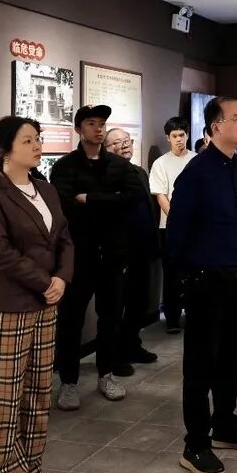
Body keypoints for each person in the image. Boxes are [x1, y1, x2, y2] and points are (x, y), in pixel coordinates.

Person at [0, 116, 74, 473]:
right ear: (5, 151)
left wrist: (62, 278)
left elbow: (64, 238)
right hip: (6, 305)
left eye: (37, 138)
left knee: (38, 392)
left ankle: (30, 468)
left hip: (45, 303)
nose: (37, 145)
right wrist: (46, 282)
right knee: (2, 399)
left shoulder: (45, 189)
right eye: (28, 140)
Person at [167, 97, 237, 473]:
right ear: (215, 127)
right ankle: (195, 443)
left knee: (229, 358)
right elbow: (177, 229)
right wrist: (184, 280)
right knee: (200, 364)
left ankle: (225, 424)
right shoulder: (196, 171)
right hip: (204, 279)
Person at [50, 105, 147, 410]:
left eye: (102, 123)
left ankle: (106, 373)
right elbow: (65, 206)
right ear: (79, 129)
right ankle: (69, 381)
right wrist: (111, 201)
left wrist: (90, 199)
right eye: (91, 123)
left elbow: (132, 198)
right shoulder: (65, 166)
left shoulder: (119, 166)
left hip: (113, 254)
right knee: (71, 320)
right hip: (78, 255)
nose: (98, 128)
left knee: (110, 317)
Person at [105, 127, 160, 367]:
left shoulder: (139, 172)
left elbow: (148, 208)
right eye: (117, 142)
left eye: (127, 140)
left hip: (143, 248)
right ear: (106, 149)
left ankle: (132, 344)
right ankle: (115, 355)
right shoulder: (105, 176)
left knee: (140, 301)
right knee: (117, 304)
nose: (124, 145)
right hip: (120, 252)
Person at [150, 117, 196, 335]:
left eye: (182, 135)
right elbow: (161, 196)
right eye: (175, 136)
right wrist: (177, 219)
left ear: (187, 135)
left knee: (195, 272)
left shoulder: (196, 160)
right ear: (167, 138)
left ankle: (195, 314)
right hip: (169, 226)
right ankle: (172, 318)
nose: (179, 139)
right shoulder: (161, 163)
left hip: (196, 227)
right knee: (172, 273)